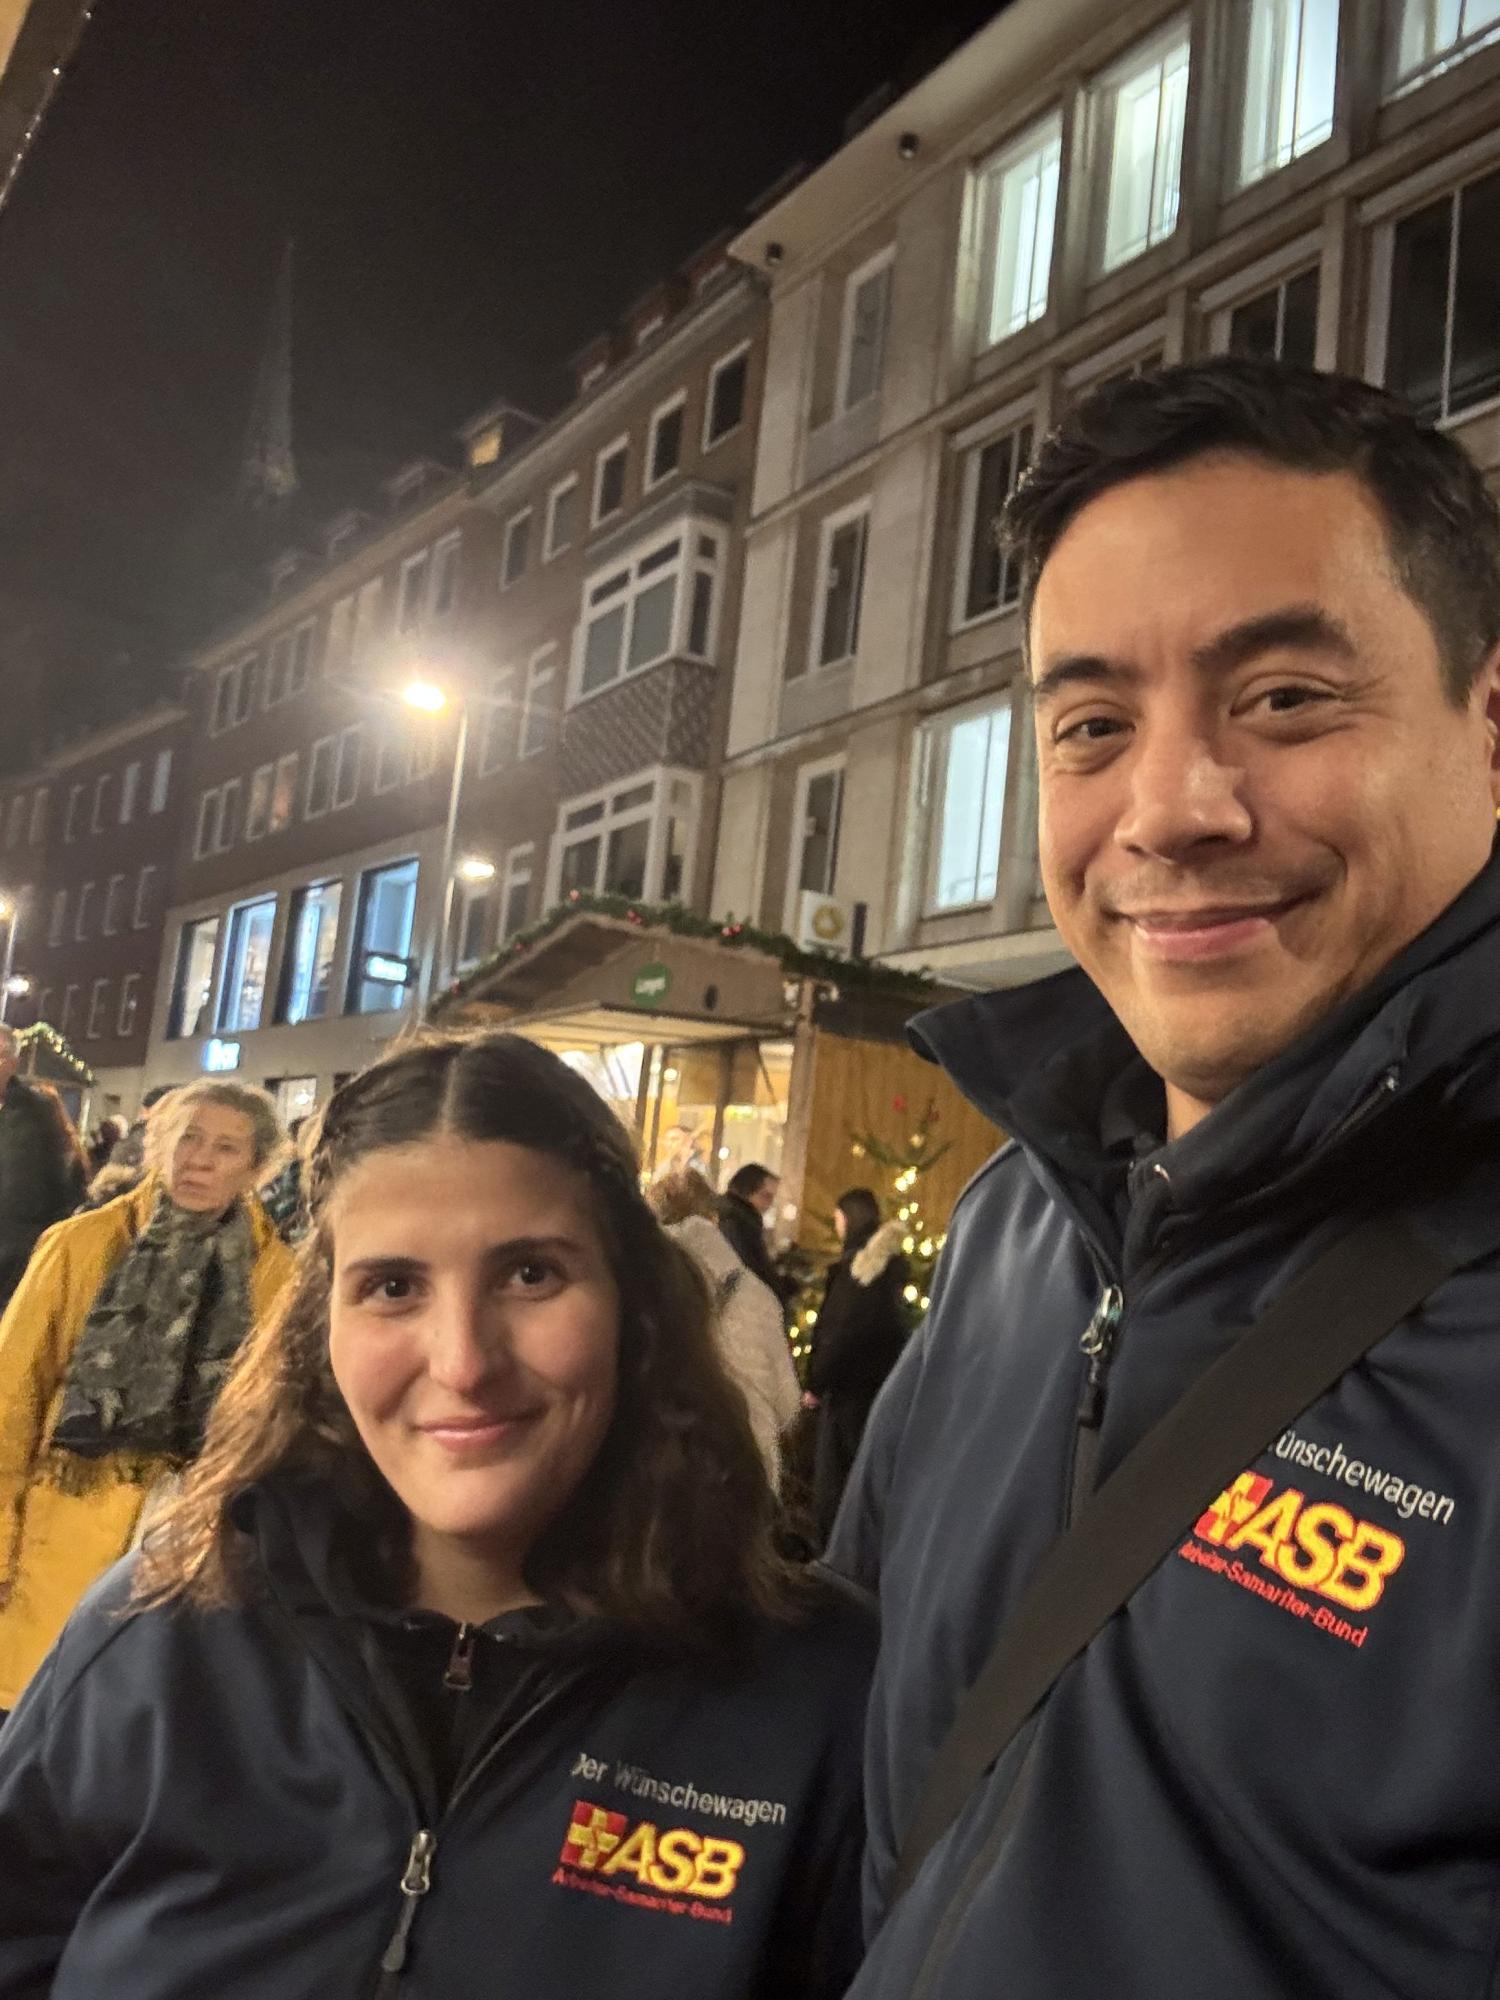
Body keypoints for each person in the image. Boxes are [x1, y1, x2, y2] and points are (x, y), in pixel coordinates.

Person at [825, 355, 1500, 1999]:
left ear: (1489, 727)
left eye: (1284, 700)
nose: (1170, 810)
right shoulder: (1014, 1226)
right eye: (1093, 728)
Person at [0, 1031, 874, 1997]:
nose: (463, 1363)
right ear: (320, 1325)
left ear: (636, 1305)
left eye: (531, 1274)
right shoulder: (154, 1634)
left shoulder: (817, 1692)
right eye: (393, 1287)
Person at [0, 1076, 293, 1713]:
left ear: (257, 1168)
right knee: (28, 1718)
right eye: (188, 1138)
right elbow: (10, 1395)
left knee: (127, 1726)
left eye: (226, 1148)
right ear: (160, 1143)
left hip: (188, 1545)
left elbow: (274, 1424)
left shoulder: (278, 1275)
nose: (199, 1160)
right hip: (62, 1531)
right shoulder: (81, 1244)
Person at [648, 1166, 801, 1486]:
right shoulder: (755, 1295)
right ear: (713, 1218)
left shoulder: (637, 1287)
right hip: (746, 1473)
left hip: (658, 1472)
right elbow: (788, 1403)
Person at [804, 1190, 908, 1545]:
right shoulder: (886, 1267)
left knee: (836, 1482)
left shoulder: (860, 1270)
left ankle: (834, 1553)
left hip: (848, 1392)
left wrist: (816, 1383)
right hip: (874, 1387)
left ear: (847, 1219)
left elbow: (839, 1331)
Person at [0, 1026, 87, 1312]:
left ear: (14, 1062)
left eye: (0, 1056)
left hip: (14, 1256)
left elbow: (62, 1180)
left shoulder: (38, 1111)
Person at [719, 1164, 790, 1301]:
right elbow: (752, 1268)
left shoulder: (730, 1215)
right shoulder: (739, 1222)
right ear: (747, 1191)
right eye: (766, 1196)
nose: (769, 1204)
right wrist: (780, 1288)